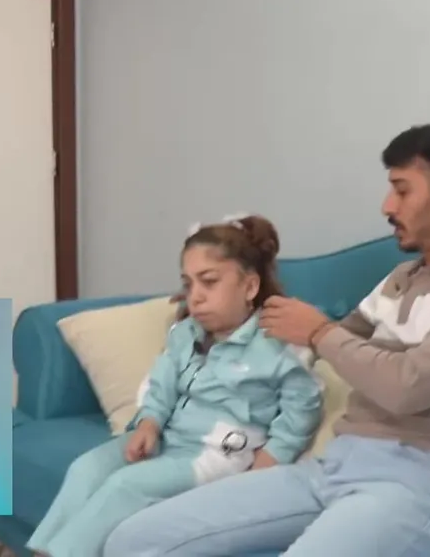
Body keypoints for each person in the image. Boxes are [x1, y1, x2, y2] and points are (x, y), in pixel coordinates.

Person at [104, 120, 430, 557]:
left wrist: (317, 331)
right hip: (338, 462)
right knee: (133, 539)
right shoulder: (402, 279)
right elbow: (329, 345)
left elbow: (408, 384)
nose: (387, 205)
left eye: (402, 190)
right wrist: (226, 316)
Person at [27, 214, 324, 557]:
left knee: (125, 486)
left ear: (250, 287)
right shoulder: (184, 333)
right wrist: (149, 423)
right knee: (86, 469)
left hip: (216, 455)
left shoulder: (278, 343)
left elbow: (302, 408)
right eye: (188, 284)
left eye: (209, 282)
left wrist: (269, 461)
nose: (195, 297)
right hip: (168, 438)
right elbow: (162, 384)